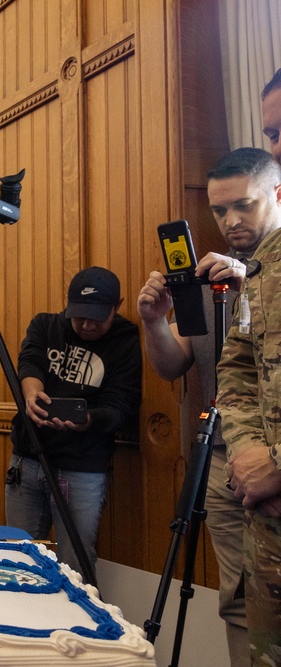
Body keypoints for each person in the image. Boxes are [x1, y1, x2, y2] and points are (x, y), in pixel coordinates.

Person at [138, 147, 280, 666]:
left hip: (276, 459)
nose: (231, 221)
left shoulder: (265, 278)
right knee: (239, 604)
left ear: (276, 194)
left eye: (243, 205)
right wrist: (153, 320)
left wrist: (252, 291)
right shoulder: (208, 279)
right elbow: (175, 363)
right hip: (222, 465)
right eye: (220, 210)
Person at [5, 267, 141, 573]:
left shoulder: (125, 339)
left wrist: (88, 420)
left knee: (75, 564)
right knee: (19, 559)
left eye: (96, 316)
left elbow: (122, 406)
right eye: (79, 315)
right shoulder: (45, 325)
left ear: (116, 306)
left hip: (83, 467)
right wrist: (32, 394)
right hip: (27, 460)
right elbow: (30, 362)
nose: (87, 324)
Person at [217, 71, 281, 665]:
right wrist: (246, 452)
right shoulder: (258, 272)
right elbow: (235, 373)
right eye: (273, 133)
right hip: (267, 518)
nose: (231, 219)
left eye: (245, 203)